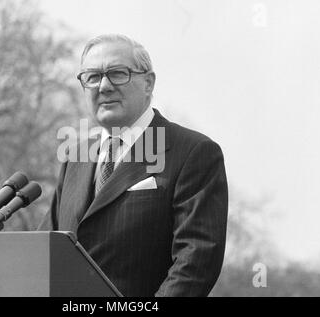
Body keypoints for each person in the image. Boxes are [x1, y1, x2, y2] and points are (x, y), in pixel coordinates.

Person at [38, 34, 228, 297]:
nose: (103, 86)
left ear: (148, 83)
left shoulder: (192, 152)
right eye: (92, 77)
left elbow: (195, 261)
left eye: (117, 73)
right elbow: (45, 252)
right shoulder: (75, 157)